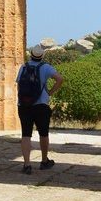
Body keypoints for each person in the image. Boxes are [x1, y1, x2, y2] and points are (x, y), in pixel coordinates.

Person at [16, 43, 63, 175]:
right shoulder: (46, 67)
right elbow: (60, 79)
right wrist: (50, 92)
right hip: (41, 104)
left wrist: (23, 99)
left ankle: (26, 164)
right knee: (43, 133)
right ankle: (44, 161)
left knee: (26, 134)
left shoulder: (24, 67)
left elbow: (19, 85)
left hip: (24, 105)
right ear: (42, 56)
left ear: (31, 55)